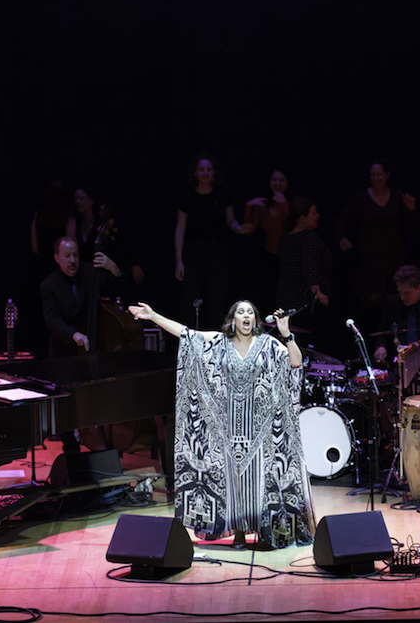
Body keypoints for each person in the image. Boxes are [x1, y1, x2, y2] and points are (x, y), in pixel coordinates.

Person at [128, 299, 315, 549]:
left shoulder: (269, 344)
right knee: (232, 483)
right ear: (233, 319)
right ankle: (238, 532)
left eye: (250, 312)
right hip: (227, 429)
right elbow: (186, 333)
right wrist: (153, 316)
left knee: (258, 482)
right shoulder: (219, 341)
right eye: (241, 312)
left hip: (259, 428)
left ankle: (263, 531)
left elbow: (295, 362)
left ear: (256, 320)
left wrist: (286, 334)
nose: (246, 315)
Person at [336, 158, 418, 329]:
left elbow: (416, 226)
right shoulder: (362, 197)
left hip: (393, 260)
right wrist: (342, 238)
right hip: (370, 262)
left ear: (387, 175)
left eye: (379, 174)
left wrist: (411, 209)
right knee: (370, 311)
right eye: (372, 174)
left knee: (395, 305)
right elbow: (340, 221)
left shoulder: (396, 196)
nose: (375, 178)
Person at [174, 153, 253, 328]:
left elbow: (230, 221)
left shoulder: (223, 194)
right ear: (195, 173)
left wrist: (240, 228)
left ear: (214, 172)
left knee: (217, 300)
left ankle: (216, 343)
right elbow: (180, 228)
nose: (205, 173)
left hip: (218, 254)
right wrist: (179, 261)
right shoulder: (187, 196)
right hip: (193, 254)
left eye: (208, 169)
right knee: (189, 300)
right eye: (201, 169)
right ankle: (190, 342)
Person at [275, 197, 331, 342]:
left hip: (285, 297)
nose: (317, 216)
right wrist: (318, 293)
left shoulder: (284, 239)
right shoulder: (307, 237)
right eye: (314, 213)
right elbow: (309, 266)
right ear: (302, 218)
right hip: (304, 301)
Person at [245, 169, 290, 309]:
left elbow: (293, 228)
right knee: (267, 299)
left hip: (289, 260)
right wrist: (248, 206)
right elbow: (249, 229)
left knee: (285, 301)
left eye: (282, 180)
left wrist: (284, 204)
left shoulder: (292, 204)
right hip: (269, 258)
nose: (277, 183)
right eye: (274, 179)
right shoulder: (263, 205)